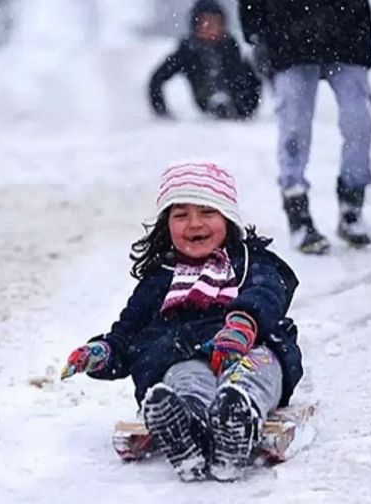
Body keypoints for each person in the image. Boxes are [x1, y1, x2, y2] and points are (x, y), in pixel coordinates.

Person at [60, 162, 303, 482]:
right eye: (181, 215)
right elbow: (128, 334)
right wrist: (102, 352)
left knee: (255, 371)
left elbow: (267, 291)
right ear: (166, 225)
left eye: (207, 212)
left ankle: (237, 418)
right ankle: (186, 427)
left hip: (247, 347)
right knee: (184, 377)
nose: (194, 223)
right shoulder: (159, 279)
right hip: (182, 353)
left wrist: (243, 323)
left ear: (228, 219)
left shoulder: (248, 262)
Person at [238, 0, 371, 253]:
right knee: (294, 129)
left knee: (360, 122)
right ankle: (297, 211)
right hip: (287, 35)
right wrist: (255, 34)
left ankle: (352, 208)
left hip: (347, 32)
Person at [148, 0, 261, 120]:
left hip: (238, 106)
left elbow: (249, 80)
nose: (210, 27)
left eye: (215, 23)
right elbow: (157, 79)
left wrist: (246, 107)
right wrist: (161, 111)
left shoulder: (230, 47)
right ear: (196, 25)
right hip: (205, 100)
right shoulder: (188, 51)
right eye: (205, 22)